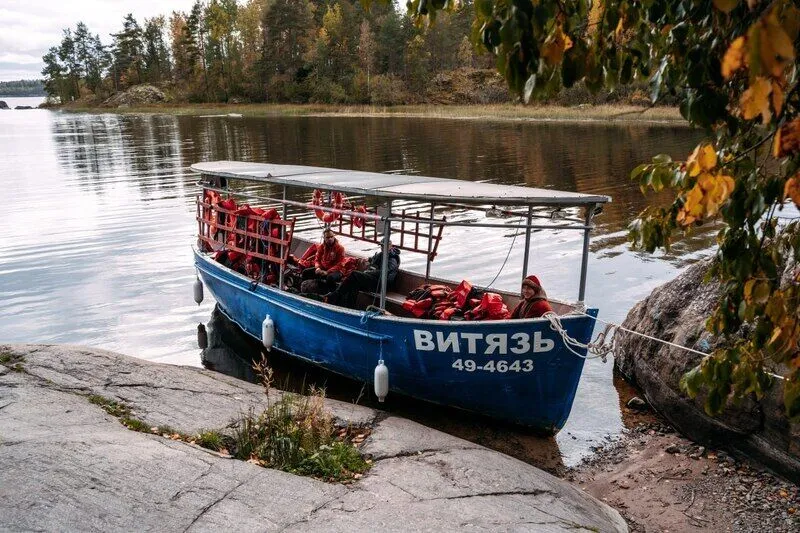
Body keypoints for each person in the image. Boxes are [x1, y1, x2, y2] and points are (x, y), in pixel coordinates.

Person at [326, 244, 401, 308]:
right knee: (354, 283)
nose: (382, 248)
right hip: (375, 280)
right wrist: (367, 260)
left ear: (390, 246)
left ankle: (335, 295)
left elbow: (385, 272)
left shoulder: (392, 258)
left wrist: (369, 272)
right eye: (381, 246)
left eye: (384, 246)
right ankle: (350, 306)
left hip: (382, 284)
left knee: (354, 274)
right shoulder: (382, 254)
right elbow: (373, 259)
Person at [302, 228, 346, 293]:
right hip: (323, 268)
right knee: (305, 272)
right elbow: (317, 259)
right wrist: (318, 268)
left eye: (331, 237)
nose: (330, 239)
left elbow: (340, 264)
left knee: (330, 278)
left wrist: (327, 272)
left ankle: (332, 295)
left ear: (334, 237)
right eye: (328, 237)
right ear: (324, 238)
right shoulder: (321, 247)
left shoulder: (340, 248)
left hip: (337, 271)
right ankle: (306, 290)